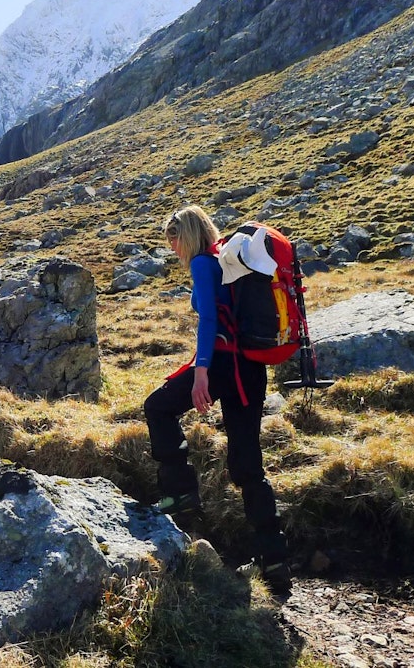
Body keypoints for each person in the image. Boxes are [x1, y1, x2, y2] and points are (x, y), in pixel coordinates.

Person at [143, 205, 291, 592]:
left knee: (158, 407)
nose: (172, 249)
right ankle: (273, 560)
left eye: (173, 240)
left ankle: (180, 494)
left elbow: (209, 319)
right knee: (248, 464)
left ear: (185, 236)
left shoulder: (203, 265)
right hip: (249, 368)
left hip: (223, 364)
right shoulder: (225, 261)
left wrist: (201, 373)